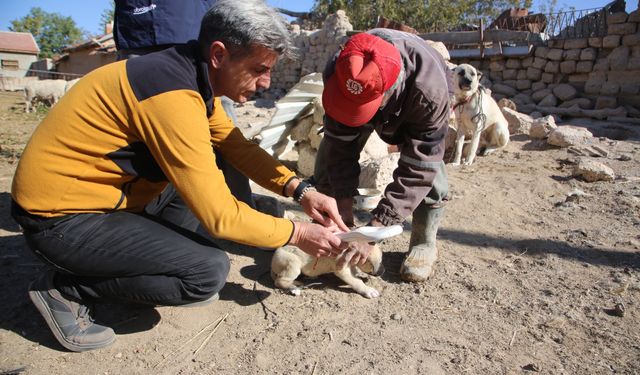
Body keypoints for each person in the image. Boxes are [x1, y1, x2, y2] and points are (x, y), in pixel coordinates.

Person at [11, 0, 348, 352]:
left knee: (197, 210)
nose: (265, 83)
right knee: (206, 274)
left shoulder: (191, 76)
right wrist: (300, 233)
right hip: (59, 220)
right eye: (258, 69)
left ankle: (115, 266)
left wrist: (300, 189)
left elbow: (237, 147)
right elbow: (221, 218)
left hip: (109, 195)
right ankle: (66, 288)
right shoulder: (170, 94)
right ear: (219, 54)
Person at [311, 29, 452, 282]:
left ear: (388, 93)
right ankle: (331, 222)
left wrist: (375, 230)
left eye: (360, 109)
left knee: (430, 169)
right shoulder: (339, 68)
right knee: (328, 158)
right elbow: (340, 145)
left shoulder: (429, 94)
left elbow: (419, 167)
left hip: (415, 100)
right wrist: (343, 208)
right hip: (366, 90)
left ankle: (424, 240)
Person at [113, 0, 257, 221]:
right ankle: (134, 217)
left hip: (193, 32)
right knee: (140, 141)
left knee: (223, 134)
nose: (261, 84)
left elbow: (231, 143)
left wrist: (296, 188)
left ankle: (242, 211)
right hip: (142, 32)